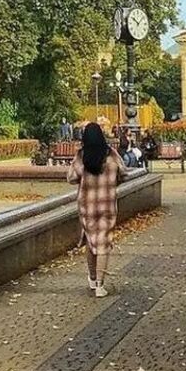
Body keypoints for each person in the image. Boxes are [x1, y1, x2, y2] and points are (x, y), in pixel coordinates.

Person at [67, 122, 127, 298]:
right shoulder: (111, 154)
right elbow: (123, 173)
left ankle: (92, 278)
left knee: (90, 241)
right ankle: (100, 285)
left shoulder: (81, 156)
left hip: (87, 207)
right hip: (107, 206)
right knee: (103, 244)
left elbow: (71, 178)